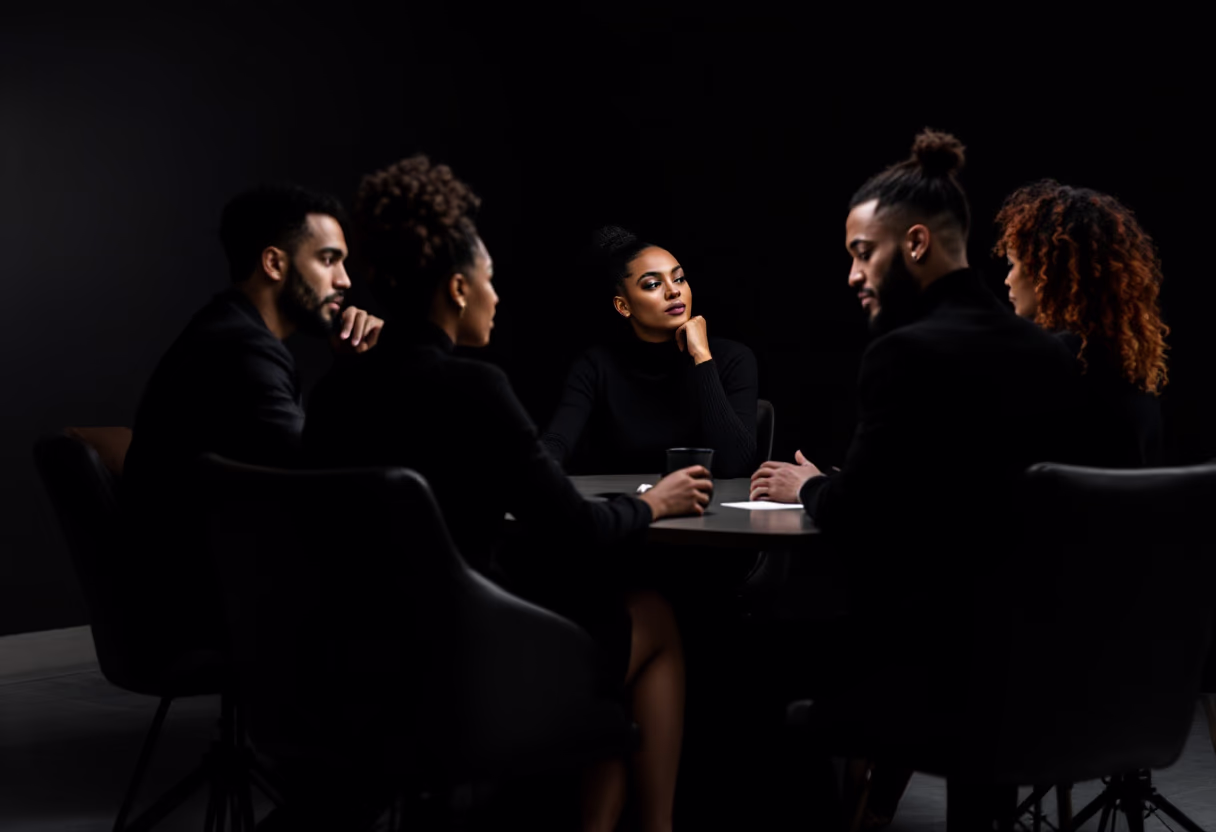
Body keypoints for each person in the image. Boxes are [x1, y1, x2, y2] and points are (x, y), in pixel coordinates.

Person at [303, 155, 711, 832]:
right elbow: (576, 530)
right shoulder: (473, 389)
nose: (499, 296)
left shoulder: (335, 394)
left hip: (350, 667)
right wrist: (654, 504)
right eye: (491, 280)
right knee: (654, 619)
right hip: (463, 671)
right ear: (460, 289)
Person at [749, 130, 1081, 829]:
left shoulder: (903, 352)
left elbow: (860, 513)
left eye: (862, 252)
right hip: (1042, 668)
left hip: (937, 673)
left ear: (917, 244)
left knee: (756, 656)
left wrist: (808, 486)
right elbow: (969, 495)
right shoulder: (1049, 354)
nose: (852, 274)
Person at [122, 183, 385, 654]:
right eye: (329, 260)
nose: (345, 280)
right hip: (202, 610)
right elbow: (321, 475)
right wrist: (358, 375)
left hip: (190, 592)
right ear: (275, 263)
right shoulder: (239, 350)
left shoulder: (230, 331)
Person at [540, 226, 758, 478]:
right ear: (623, 306)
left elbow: (737, 465)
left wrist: (701, 357)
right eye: (653, 284)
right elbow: (556, 443)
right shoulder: (596, 366)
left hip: (708, 509)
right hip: (625, 509)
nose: (673, 291)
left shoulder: (733, 359)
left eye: (679, 279)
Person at [998, 179, 1168, 467]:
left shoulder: (1045, 362)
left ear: (1048, 273)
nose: (1007, 280)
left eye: (1013, 264)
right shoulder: (1130, 371)